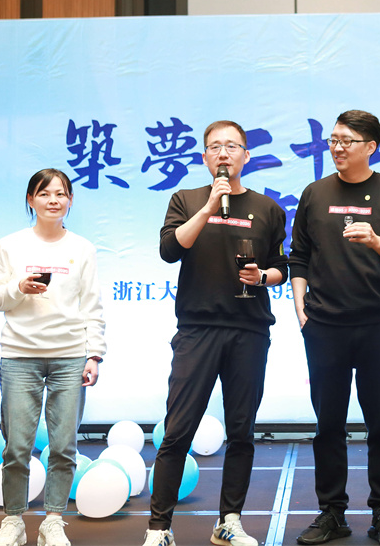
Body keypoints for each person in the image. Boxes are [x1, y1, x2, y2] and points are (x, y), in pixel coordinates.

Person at [140, 120, 289, 546]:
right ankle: (159, 528)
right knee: (177, 431)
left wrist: (263, 277)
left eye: (232, 146)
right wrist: (208, 208)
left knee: (242, 431)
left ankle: (229, 521)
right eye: (215, 147)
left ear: (246, 155)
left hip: (249, 330)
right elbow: (170, 250)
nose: (224, 154)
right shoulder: (186, 200)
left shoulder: (268, 208)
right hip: (197, 329)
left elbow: (283, 266)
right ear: (205, 157)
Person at [290, 110, 380, 546]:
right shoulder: (315, 193)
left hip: (378, 325)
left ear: (371, 146)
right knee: (328, 425)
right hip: (324, 326)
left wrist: (377, 240)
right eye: (333, 139)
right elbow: (299, 255)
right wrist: (300, 307)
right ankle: (332, 512)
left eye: (347, 140)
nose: (337, 147)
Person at [0, 168, 106, 546]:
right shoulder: (10, 245)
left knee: (64, 446)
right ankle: (13, 521)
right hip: (19, 355)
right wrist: (18, 287)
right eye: (44, 193)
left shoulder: (82, 248)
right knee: (17, 446)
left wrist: (95, 355)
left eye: (61, 194)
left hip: (70, 356)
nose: (53, 200)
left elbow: (92, 305)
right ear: (30, 200)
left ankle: (53, 520)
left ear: (70, 200)